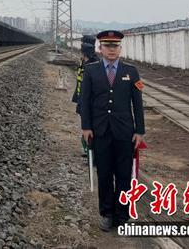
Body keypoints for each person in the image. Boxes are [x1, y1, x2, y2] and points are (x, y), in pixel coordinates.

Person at [80, 30, 145, 231]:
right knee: (105, 174)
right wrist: (86, 127)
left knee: (124, 175)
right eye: (107, 45)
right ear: (100, 48)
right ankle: (107, 214)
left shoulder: (131, 71)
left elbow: (137, 103)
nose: (111, 49)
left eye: (115, 46)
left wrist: (140, 131)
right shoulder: (90, 71)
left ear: (120, 49)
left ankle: (122, 215)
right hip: (100, 131)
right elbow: (85, 101)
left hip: (125, 133)